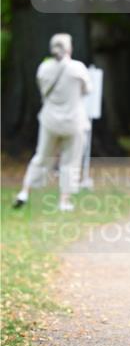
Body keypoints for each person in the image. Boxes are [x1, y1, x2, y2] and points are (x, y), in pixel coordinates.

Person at [14, 33, 92, 212]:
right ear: (69, 48)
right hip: (73, 121)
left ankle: (25, 191)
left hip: (49, 120)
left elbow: (42, 90)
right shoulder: (78, 68)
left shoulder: (44, 68)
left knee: (41, 157)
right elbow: (88, 90)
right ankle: (64, 201)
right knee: (70, 161)